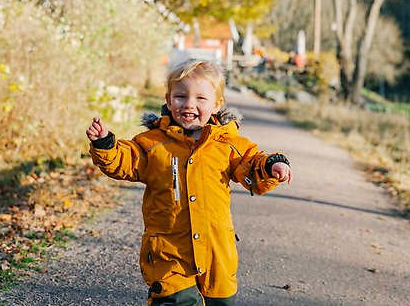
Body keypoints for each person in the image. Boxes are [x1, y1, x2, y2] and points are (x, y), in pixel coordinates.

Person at [86, 59, 292, 306]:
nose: (189, 105)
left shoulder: (227, 144)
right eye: (181, 96)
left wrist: (272, 166)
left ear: (217, 104)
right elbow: (126, 161)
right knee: (177, 301)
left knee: (221, 302)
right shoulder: (153, 143)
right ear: (169, 99)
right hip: (169, 250)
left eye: (200, 99)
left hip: (217, 251)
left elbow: (252, 164)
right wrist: (106, 144)